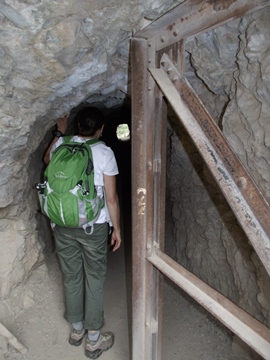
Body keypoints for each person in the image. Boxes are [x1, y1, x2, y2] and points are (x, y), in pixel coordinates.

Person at [43, 107, 122, 359]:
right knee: (94, 277)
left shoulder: (61, 145)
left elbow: (46, 161)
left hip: (62, 224)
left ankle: (77, 330)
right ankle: (94, 340)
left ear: (78, 126)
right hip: (93, 226)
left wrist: (60, 132)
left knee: (71, 275)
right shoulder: (104, 152)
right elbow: (111, 198)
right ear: (101, 129)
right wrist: (116, 228)